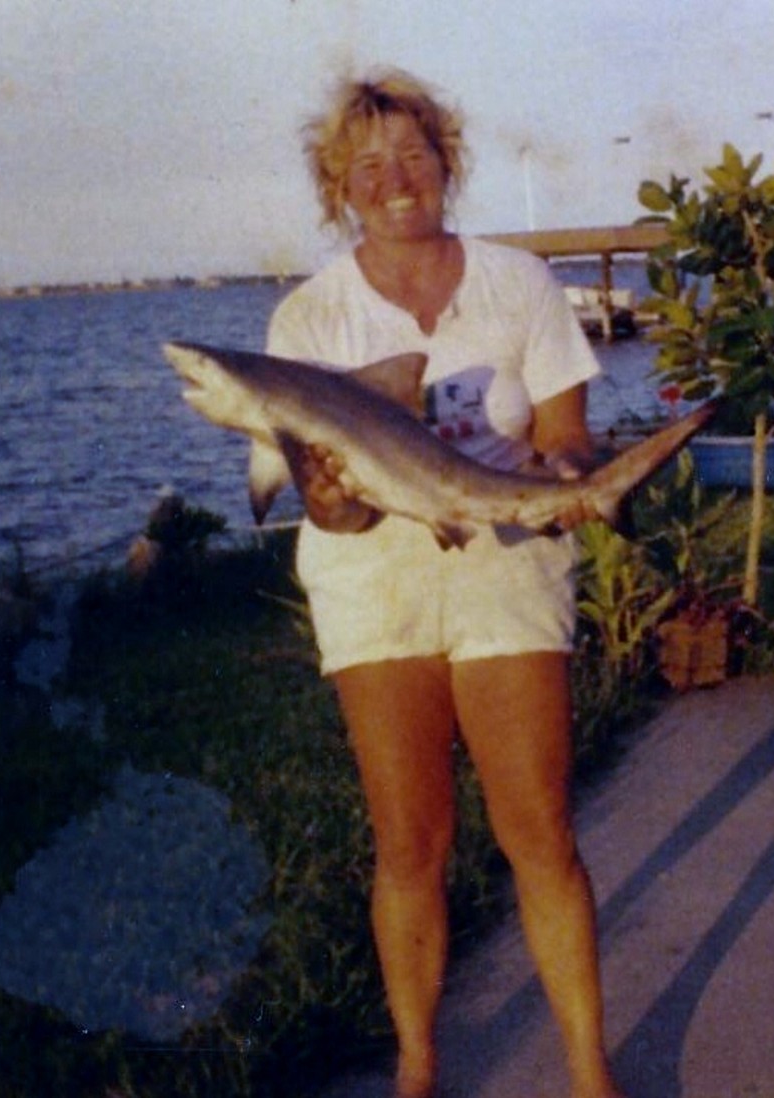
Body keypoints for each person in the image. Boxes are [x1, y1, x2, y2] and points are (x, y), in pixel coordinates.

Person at [265, 69, 626, 1098]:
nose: (395, 180)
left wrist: (563, 475)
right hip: (373, 584)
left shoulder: (519, 283)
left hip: (506, 567)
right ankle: (418, 1073)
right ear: (340, 188)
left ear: (447, 164)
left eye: (414, 156)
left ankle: (590, 1076)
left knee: (540, 832)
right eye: (367, 166)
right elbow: (324, 506)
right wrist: (336, 497)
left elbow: (563, 431)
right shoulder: (309, 321)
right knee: (410, 842)